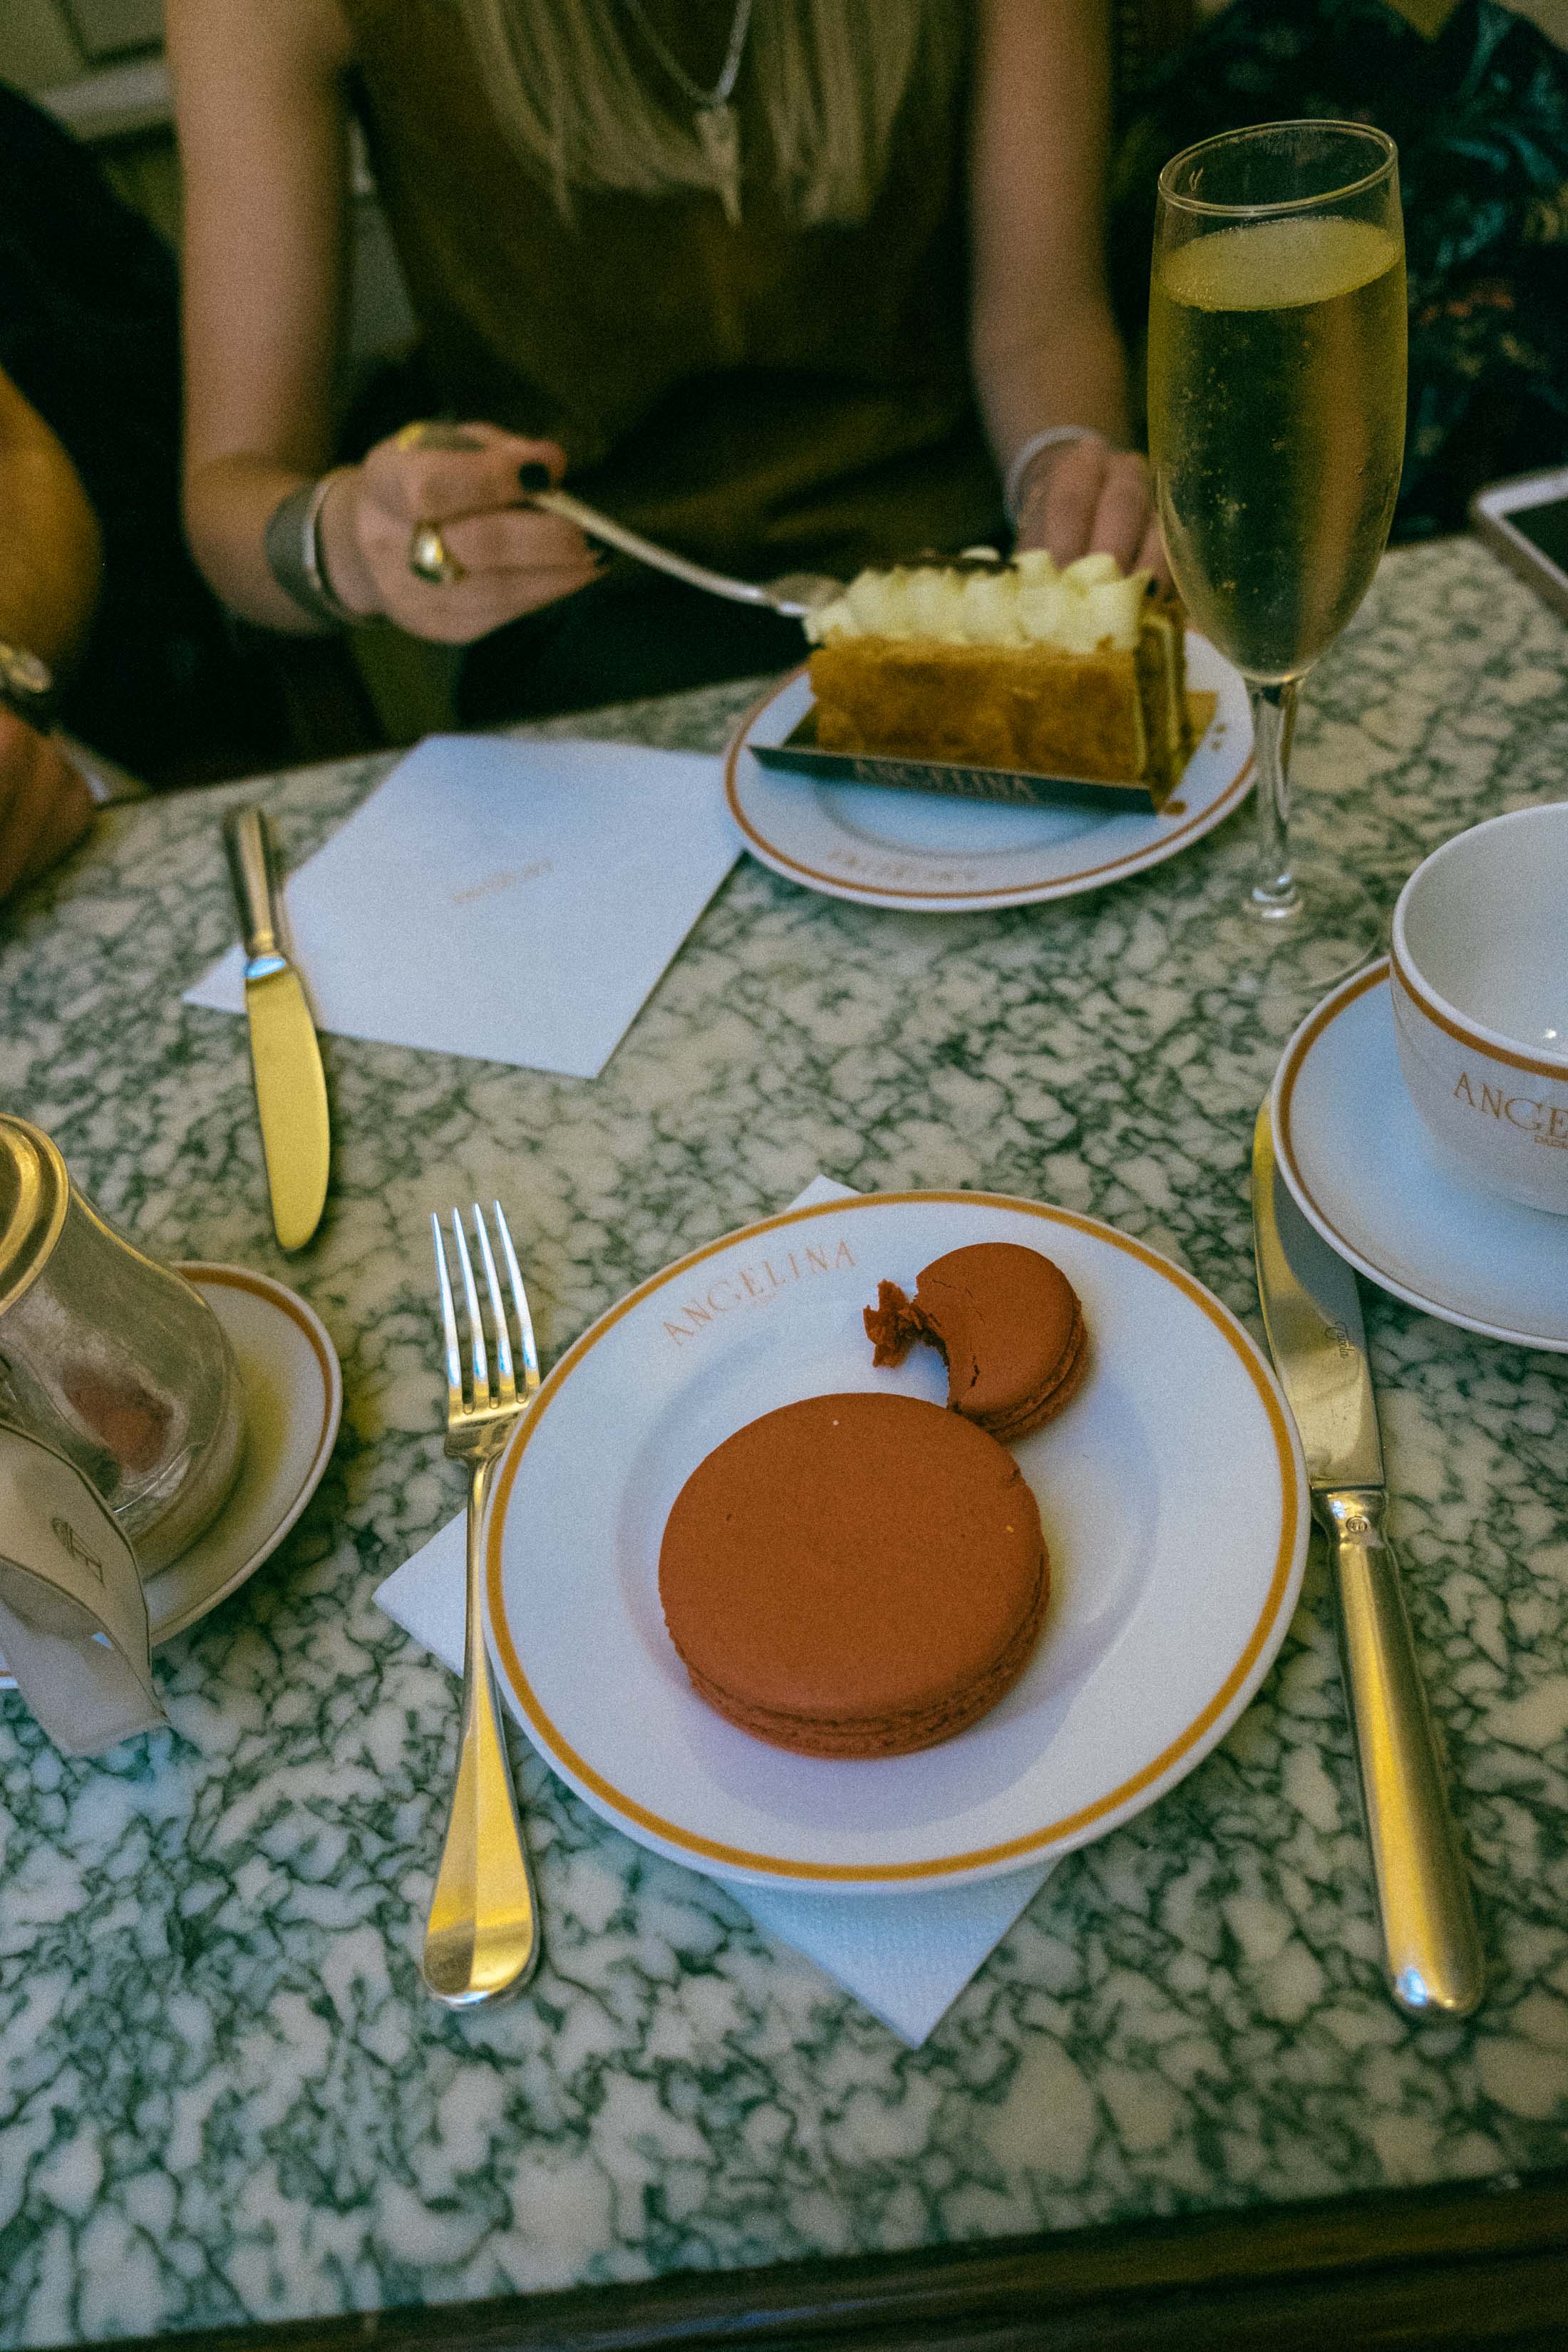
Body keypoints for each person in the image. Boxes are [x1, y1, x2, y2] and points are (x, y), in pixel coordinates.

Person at [167, 0, 1165, 725]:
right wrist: (349, 545)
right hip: (589, 665)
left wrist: (1064, 465)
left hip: (967, 595)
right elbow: (229, 498)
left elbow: (1039, 324)